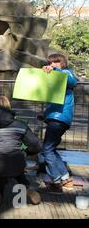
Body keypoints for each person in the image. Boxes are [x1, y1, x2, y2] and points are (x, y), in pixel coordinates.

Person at [0, 96, 42, 215]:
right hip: (16, 160)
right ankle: (27, 189)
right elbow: (36, 144)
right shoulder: (20, 124)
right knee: (18, 172)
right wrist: (28, 152)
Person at [39, 54, 78, 193]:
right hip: (56, 117)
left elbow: (73, 81)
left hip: (59, 118)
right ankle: (66, 179)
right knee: (51, 149)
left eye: (56, 62)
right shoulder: (55, 79)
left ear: (63, 63)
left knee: (46, 150)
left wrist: (55, 71)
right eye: (50, 62)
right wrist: (44, 115)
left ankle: (56, 181)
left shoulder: (66, 73)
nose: (53, 64)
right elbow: (54, 101)